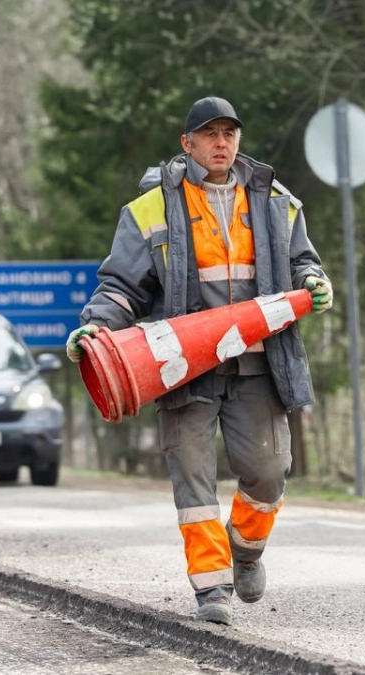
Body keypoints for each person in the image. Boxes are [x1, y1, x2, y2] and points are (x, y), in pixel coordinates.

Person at [66, 96, 332, 625]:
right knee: (194, 481)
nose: (221, 143)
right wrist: (97, 327)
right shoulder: (150, 209)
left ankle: (247, 550)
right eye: (209, 134)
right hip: (183, 367)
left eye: (229, 133)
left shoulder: (277, 200)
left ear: (238, 140)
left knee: (269, 472)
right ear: (186, 145)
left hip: (259, 363)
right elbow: (121, 286)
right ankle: (211, 589)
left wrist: (312, 282)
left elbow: (304, 261)